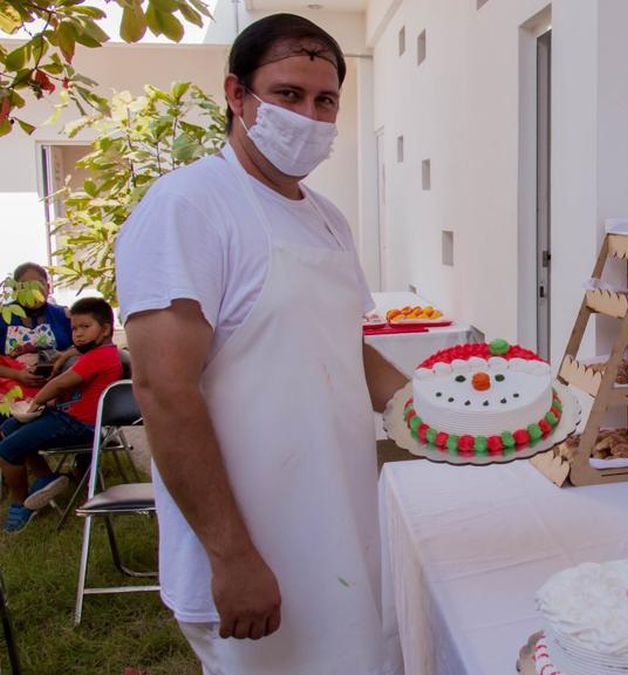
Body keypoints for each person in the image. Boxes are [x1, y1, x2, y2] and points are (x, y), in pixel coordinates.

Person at [115, 13, 406, 674]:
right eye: (288, 94)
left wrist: (442, 413)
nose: (308, 116)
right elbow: (163, 390)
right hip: (255, 547)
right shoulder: (189, 206)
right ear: (236, 94)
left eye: (325, 100)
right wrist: (232, 556)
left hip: (337, 520)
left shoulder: (326, 219)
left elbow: (342, 345)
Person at [0, 297, 123, 533]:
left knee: (7, 450)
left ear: (106, 329)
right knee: (8, 429)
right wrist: (65, 356)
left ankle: (21, 504)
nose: (78, 334)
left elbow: (59, 384)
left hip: (80, 426)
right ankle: (46, 478)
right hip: (68, 418)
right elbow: (71, 372)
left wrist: (35, 403)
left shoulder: (99, 356)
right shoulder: (98, 352)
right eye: (74, 328)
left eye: (85, 327)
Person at [0, 263, 73, 402]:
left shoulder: (63, 315)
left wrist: (63, 357)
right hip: (10, 389)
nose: (33, 290)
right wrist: (17, 374)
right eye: (25, 286)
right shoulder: (3, 316)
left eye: (38, 284)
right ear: (15, 290)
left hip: (57, 385)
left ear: (48, 288)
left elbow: (85, 348)